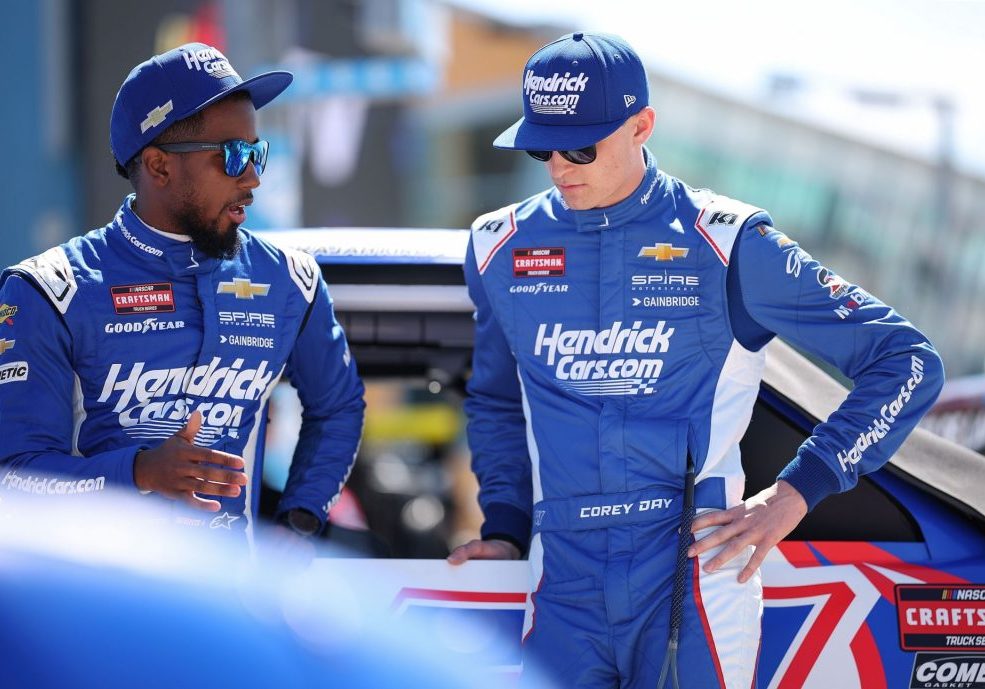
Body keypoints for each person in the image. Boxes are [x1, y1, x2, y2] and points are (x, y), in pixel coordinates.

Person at [447, 32, 944, 688]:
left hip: (692, 573)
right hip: (562, 580)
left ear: (641, 126)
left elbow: (907, 361)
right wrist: (506, 525)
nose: (559, 167)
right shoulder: (499, 246)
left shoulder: (728, 242)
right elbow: (495, 399)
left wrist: (796, 493)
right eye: (541, 148)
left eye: (580, 148)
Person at [0, 43, 365, 547]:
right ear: (158, 166)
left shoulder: (290, 282)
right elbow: (15, 478)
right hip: (92, 588)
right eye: (233, 156)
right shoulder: (49, 291)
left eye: (257, 153)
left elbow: (339, 406)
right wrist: (139, 473)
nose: (254, 178)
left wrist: (300, 520)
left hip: (228, 589)